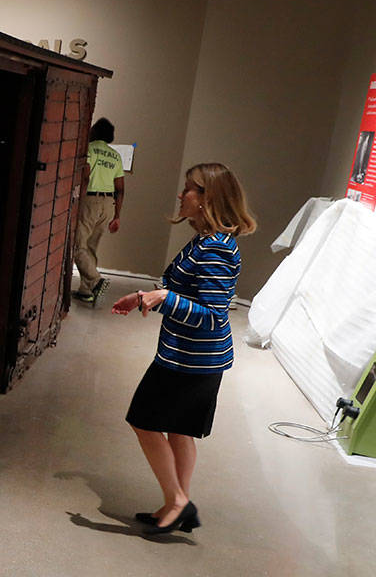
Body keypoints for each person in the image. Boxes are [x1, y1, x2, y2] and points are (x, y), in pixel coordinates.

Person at [111, 162, 256, 535]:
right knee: (179, 431)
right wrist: (145, 296)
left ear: (208, 199)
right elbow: (184, 292)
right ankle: (177, 505)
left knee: (143, 420)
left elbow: (211, 314)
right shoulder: (207, 240)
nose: (181, 195)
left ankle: (177, 501)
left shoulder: (216, 250)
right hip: (192, 358)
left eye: (189, 189)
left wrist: (162, 296)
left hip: (190, 361)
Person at [73, 118, 125, 304]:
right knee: (91, 247)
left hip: (90, 200)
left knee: (77, 245)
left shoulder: (89, 149)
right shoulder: (115, 156)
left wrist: (78, 203)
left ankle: (96, 282)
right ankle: (85, 292)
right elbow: (120, 188)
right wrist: (117, 216)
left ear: (94, 131)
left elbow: (85, 177)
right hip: (108, 204)